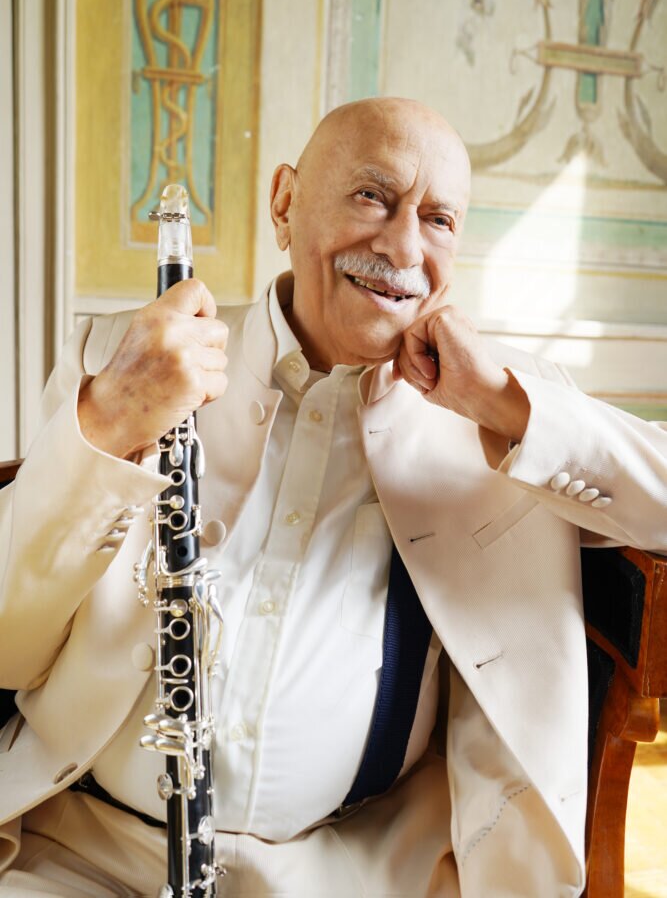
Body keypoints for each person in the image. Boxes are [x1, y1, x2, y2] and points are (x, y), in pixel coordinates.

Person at [0, 97, 665, 898]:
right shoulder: (123, 359)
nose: (403, 246)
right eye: (371, 196)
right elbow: (7, 643)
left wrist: (503, 404)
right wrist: (108, 419)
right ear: (285, 202)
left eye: (438, 220)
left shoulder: (502, 404)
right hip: (80, 852)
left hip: (360, 869)